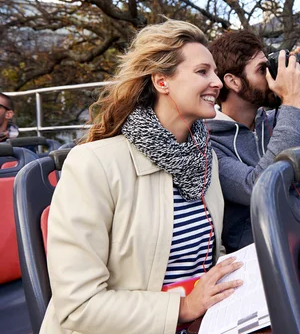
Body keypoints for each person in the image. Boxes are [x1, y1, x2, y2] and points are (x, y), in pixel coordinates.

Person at [41, 20, 244, 334]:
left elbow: (208, 257)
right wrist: (185, 307)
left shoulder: (206, 158)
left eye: (216, 72)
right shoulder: (93, 164)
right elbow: (78, 306)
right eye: (203, 72)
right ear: (162, 82)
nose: (218, 82)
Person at [207, 30, 300, 253]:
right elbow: (258, 188)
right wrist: (292, 102)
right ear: (233, 82)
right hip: (261, 256)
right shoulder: (211, 143)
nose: (272, 78)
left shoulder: (278, 121)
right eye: (262, 70)